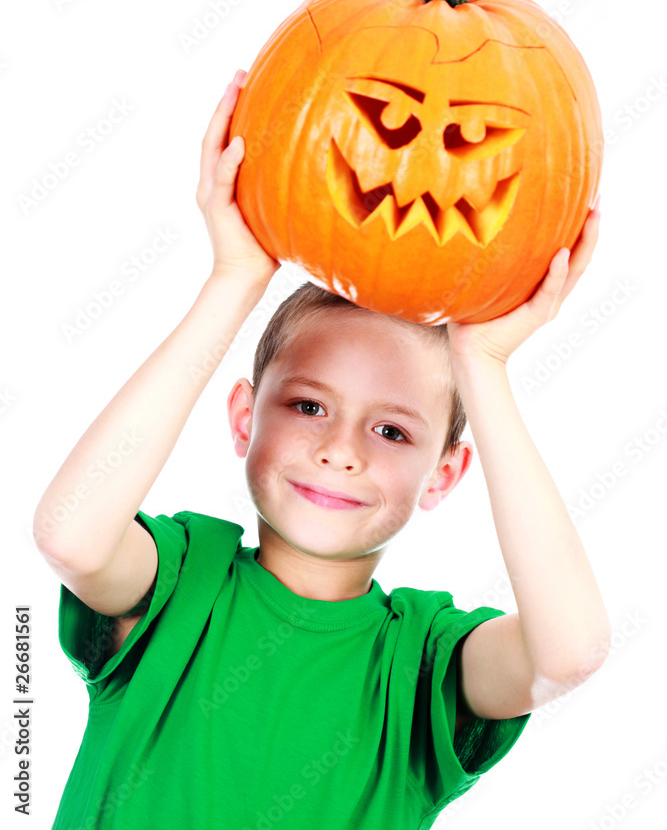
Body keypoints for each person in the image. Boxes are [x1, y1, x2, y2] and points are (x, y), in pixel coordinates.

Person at [34, 69, 611, 830]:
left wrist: (484, 369)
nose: (340, 451)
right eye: (308, 406)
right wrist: (236, 278)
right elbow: (70, 535)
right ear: (245, 418)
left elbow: (566, 653)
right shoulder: (179, 583)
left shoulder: (423, 665)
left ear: (445, 475)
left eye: (391, 430)